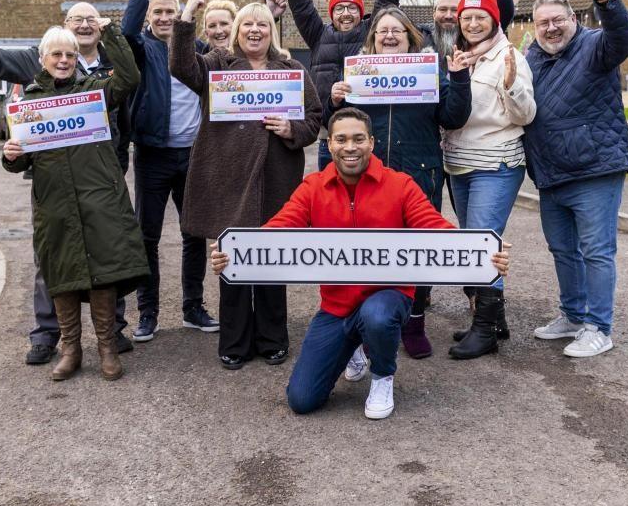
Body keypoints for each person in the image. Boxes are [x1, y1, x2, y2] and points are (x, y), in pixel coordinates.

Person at [210, 108, 511, 419]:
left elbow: (434, 228)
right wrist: (238, 251)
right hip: (336, 307)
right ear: (329, 146)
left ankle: (382, 376)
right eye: (340, 139)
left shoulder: (400, 185)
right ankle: (352, 347)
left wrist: (482, 253)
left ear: (371, 142)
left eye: (357, 139)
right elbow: (281, 227)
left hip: (389, 298)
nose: (349, 147)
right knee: (301, 400)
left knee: (377, 316)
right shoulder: (313, 187)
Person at [0, 0, 135, 363]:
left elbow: (130, 85)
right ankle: (49, 334)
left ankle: (110, 334)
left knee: (107, 254)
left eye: (91, 19)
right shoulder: (36, 69)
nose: (84, 25)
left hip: (102, 175)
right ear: (59, 33)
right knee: (54, 255)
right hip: (56, 182)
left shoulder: (104, 69)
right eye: (76, 19)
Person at [170, 2, 322, 369]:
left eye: (263, 25)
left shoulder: (292, 69)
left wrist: (292, 130)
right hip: (229, 178)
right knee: (233, 261)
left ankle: (272, 338)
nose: (255, 30)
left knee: (271, 261)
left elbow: (315, 118)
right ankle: (235, 341)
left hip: (277, 178)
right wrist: (187, 16)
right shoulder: (217, 65)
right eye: (248, 24)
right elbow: (180, 66)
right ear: (237, 30)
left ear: (272, 31)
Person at [0, 23, 147, 382]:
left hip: (98, 199)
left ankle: (107, 347)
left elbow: (128, 79)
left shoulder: (93, 91)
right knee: (63, 273)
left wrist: (110, 34)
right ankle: (71, 349)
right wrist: (11, 154)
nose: (64, 60)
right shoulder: (28, 104)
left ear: (77, 58)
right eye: (56, 54)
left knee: (102, 272)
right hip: (55, 201)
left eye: (69, 54)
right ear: (43, 59)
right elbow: (20, 160)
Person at [325, 6, 472, 357]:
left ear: (410, 38)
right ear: (372, 40)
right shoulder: (357, 73)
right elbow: (339, 126)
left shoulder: (429, 71)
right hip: (368, 173)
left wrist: (458, 79)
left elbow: (454, 116)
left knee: (418, 248)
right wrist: (334, 101)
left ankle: (414, 320)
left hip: (419, 170)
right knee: (365, 245)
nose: (389, 36)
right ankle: (365, 319)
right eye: (382, 32)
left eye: (397, 31)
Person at [522, 0, 628, 358]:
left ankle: (599, 328)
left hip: (594, 169)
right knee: (562, 250)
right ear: (534, 26)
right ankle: (572, 315)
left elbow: (622, 35)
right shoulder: (531, 58)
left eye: (558, 20)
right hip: (551, 172)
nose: (551, 28)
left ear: (575, 19)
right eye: (543, 23)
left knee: (596, 251)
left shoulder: (595, 46)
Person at [119, 0, 219, 343]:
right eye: (157, 12)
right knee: (148, 236)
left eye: (169, 12)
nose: (164, 18)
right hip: (153, 154)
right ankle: (148, 313)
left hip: (193, 154)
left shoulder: (194, 47)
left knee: (194, 232)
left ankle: (193, 307)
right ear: (148, 16)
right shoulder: (140, 48)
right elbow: (125, 34)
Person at [441, 0, 536, 360]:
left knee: (483, 244)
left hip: (495, 162)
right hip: (459, 163)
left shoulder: (509, 56)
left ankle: (486, 332)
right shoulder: (458, 55)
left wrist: (511, 86)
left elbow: (527, 114)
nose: (473, 23)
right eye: (467, 17)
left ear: (494, 20)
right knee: (474, 243)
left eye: (481, 16)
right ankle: (493, 319)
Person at [278, 0, 403, 169]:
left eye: (352, 8)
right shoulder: (317, 34)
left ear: (361, 12)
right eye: (339, 8)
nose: (346, 13)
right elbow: (300, 2)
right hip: (329, 137)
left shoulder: (371, 32)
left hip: (367, 136)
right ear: (331, 13)